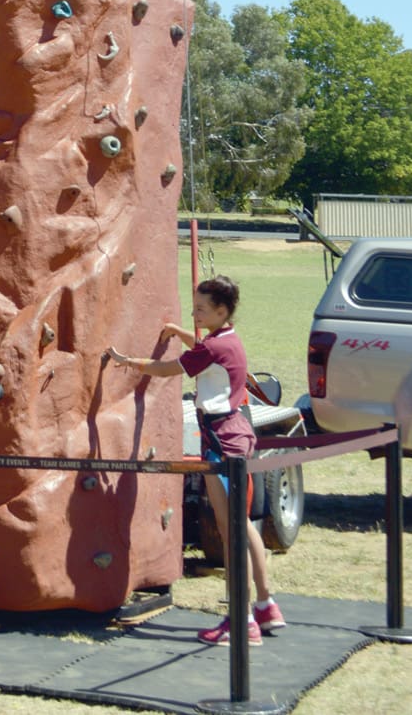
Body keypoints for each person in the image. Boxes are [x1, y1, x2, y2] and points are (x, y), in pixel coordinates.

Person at [107, 274, 286, 645]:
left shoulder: (211, 349)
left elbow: (171, 368)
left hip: (222, 439)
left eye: (202, 308)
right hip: (233, 432)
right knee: (244, 526)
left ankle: (241, 620)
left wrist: (127, 361)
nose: (195, 313)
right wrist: (179, 330)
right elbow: (202, 350)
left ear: (222, 310)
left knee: (230, 531)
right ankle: (266, 606)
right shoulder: (227, 339)